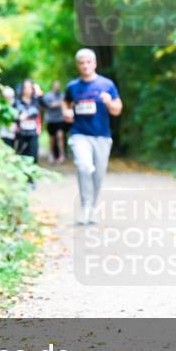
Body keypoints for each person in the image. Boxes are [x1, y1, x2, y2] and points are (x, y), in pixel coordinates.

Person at [62, 48, 122, 225]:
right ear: (78, 65)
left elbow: (117, 110)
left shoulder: (107, 85)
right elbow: (65, 103)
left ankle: (92, 208)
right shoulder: (72, 87)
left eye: (88, 62)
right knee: (84, 167)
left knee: (98, 175)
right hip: (79, 134)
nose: (85, 66)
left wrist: (109, 102)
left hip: (102, 136)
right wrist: (66, 112)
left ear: (94, 64)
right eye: (82, 63)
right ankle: (85, 207)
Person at [14, 79, 43, 165]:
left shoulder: (36, 101)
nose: (27, 89)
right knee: (21, 156)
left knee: (33, 156)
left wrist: (40, 93)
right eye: (25, 87)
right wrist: (19, 118)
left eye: (30, 87)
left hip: (33, 133)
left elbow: (46, 104)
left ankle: (33, 172)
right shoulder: (17, 102)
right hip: (21, 133)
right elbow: (12, 117)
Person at [41, 80, 68, 163]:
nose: (57, 87)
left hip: (60, 119)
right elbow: (48, 106)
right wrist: (59, 103)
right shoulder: (48, 96)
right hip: (51, 120)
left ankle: (62, 155)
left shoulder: (63, 95)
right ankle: (51, 154)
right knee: (52, 138)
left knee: (60, 136)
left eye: (58, 85)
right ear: (53, 86)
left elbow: (66, 104)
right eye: (56, 85)